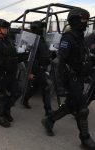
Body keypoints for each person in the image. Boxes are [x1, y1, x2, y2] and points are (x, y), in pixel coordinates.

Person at [41, 8, 95, 150]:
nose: (86, 23)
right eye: (84, 20)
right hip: (70, 79)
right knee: (82, 110)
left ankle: (49, 120)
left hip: (79, 78)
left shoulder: (81, 37)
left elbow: (83, 57)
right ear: (75, 21)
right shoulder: (68, 37)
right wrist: (59, 86)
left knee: (70, 105)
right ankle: (85, 139)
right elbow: (59, 62)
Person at [0, 19, 25, 127]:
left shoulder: (8, 41)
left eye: (6, 28)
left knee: (17, 92)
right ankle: (0, 117)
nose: (6, 30)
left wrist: (23, 55)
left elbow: (14, 56)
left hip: (11, 74)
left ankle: (7, 109)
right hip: (0, 75)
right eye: (3, 28)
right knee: (1, 97)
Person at [22, 21, 53, 116]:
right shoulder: (33, 40)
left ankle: (25, 99)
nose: (44, 30)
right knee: (46, 88)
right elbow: (29, 57)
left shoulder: (41, 39)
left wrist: (52, 53)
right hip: (37, 67)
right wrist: (30, 71)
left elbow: (44, 53)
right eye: (42, 29)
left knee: (35, 87)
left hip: (42, 66)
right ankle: (48, 110)